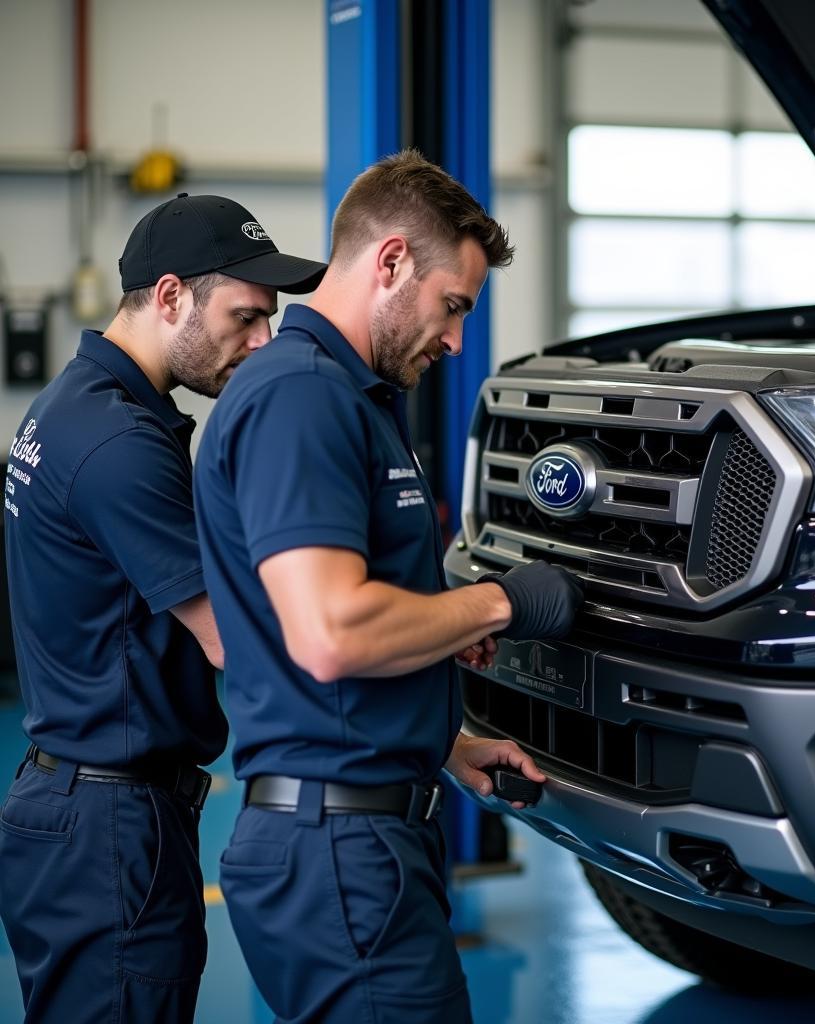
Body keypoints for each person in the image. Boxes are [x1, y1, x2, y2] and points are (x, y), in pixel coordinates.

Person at [193, 150, 583, 1024]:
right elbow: (330, 632)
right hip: (336, 850)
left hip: (360, 831)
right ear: (393, 260)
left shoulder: (354, 400)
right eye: (453, 307)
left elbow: (325, 630)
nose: (454, 339)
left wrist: (443, 744)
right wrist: (505, 600)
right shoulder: (301, 398)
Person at [0, 193, 326, 1024]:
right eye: (246, 319)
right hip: (111, 830)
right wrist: (439, 739)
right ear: (172, 295)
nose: (260, 345)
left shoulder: (78, 404)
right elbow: (242, 644)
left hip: (86, 801)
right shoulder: (116, 446)